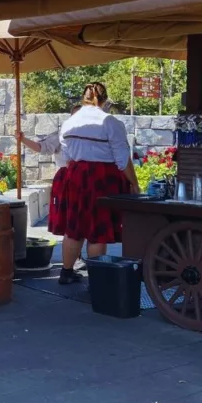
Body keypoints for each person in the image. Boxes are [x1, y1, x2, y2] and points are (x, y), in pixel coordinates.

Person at [55, 83, 139, 284]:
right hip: (102, 179)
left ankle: (66, 272)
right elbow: (122, 159)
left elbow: (66, 155)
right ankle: (97, 278)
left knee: (74, 226)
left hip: (75, 176)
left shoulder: (70, 123)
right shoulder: (110, 122)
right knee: (97, 229)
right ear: (104, 100)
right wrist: (134, 183)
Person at [18, 104, 79, 237]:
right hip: (66, 182)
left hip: (87, 181)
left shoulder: (95, 138)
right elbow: (41, 147)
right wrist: (23, 139)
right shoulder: (61, 136)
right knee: (69, 224)